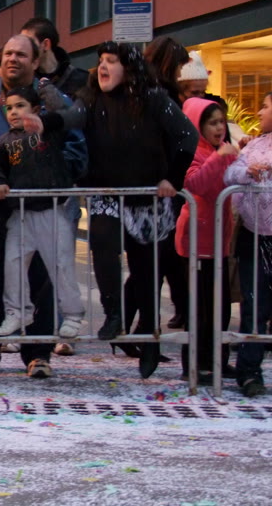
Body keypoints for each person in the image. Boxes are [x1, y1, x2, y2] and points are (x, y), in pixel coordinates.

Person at [76, 41, 197, 379]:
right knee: (108, 248)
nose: (102, 67)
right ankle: (117, 317)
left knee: (147, 272)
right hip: (113, 191)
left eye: (110, 61)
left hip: (150, 196)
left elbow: (186, 136)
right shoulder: (94, 96)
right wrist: (49, 119)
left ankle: (150, 341)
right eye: (101, 60)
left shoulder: (156, 97)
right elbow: (73, 117)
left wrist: (172, 178)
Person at [0, 34, 85, 379]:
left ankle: (37, 354)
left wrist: (49, 181)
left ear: (36, 62)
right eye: (8, 53)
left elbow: (75, 144)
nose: (13, 59)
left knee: (43, 278)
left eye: (21, 54)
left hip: (42, 204)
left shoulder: (52, 101)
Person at [0, 85, 85, 339]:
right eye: (9, 107)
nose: (13, 112)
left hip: (52, 210)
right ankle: (16, 312)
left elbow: (63, 114)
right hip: (20, 213)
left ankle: (72, 315)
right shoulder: (3, 142)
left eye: (20, 106)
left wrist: (48, 91)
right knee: (13, 264)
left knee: (61, 265)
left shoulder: (49, 133)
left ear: (36, 110)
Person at [20, 17, 89, 357]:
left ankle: (63, 326)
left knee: (60, 258)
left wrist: (70, 171)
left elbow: (81, 128)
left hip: (62, 184)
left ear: (44, 45)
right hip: (26, 183)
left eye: (28, 44)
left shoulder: (79, 81)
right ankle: (29, 326)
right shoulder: (24, 83)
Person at [174, 97, 238, 382]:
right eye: (212, 123)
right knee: (198, 310)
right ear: (197, 126)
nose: (219, 128)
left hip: (219, 242)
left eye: (221, 122)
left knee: (220, 309)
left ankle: (218, 360)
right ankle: (194, 364)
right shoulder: (193, 152)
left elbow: (237, 176)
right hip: (195, 244)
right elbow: (195, 183)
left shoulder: (220, 150)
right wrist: (220, 157)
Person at [143, 36, 194, 331]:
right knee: (160, 258)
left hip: (163, 184)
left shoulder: (155, 93)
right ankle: (141, 325)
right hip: (163, 184)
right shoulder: (162, 96)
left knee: (165, 256)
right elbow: (179, 139)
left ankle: (178, 311)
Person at [224, 91, 272, 398]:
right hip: (255, 236)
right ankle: (249, 371)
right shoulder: (254, 145)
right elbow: (230, 173)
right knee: (255, 307)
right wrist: (247, 171)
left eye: (265, 107)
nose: (259, 112)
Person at [20, 17, 90, 98]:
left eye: (29, 43)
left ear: (46, 44)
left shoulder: (82, 80)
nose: (23, 48)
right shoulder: (23, 81)